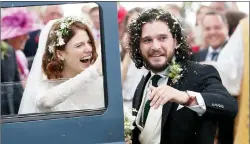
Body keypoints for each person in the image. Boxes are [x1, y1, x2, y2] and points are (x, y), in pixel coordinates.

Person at [127, 8, 238, 144]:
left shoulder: (200, 73)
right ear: (138, 46)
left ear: (176, 41)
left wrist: (185, 97)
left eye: (162, 38)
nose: (155, 46)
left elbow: (230, 106)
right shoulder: (143, 83)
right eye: (147, 40)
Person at [18, 16, 104, 114]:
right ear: (60, 54)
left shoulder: (99, 82)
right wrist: (93, 71)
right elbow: (46, 102)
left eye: (89, 43)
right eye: (79, 45)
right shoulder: (44, 88)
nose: (89, 49)